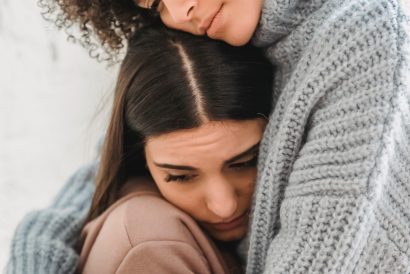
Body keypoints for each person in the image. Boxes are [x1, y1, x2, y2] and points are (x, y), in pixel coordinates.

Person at [7, 0, 410, 273]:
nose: (182, 10)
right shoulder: (214, 26)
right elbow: (98, 177)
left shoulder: (365, 34)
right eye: (157, 3)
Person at [78, 26, 272, 273]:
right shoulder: (150, 250)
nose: (224, 206)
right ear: (141, 158)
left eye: (245, 162)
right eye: (180, 177)